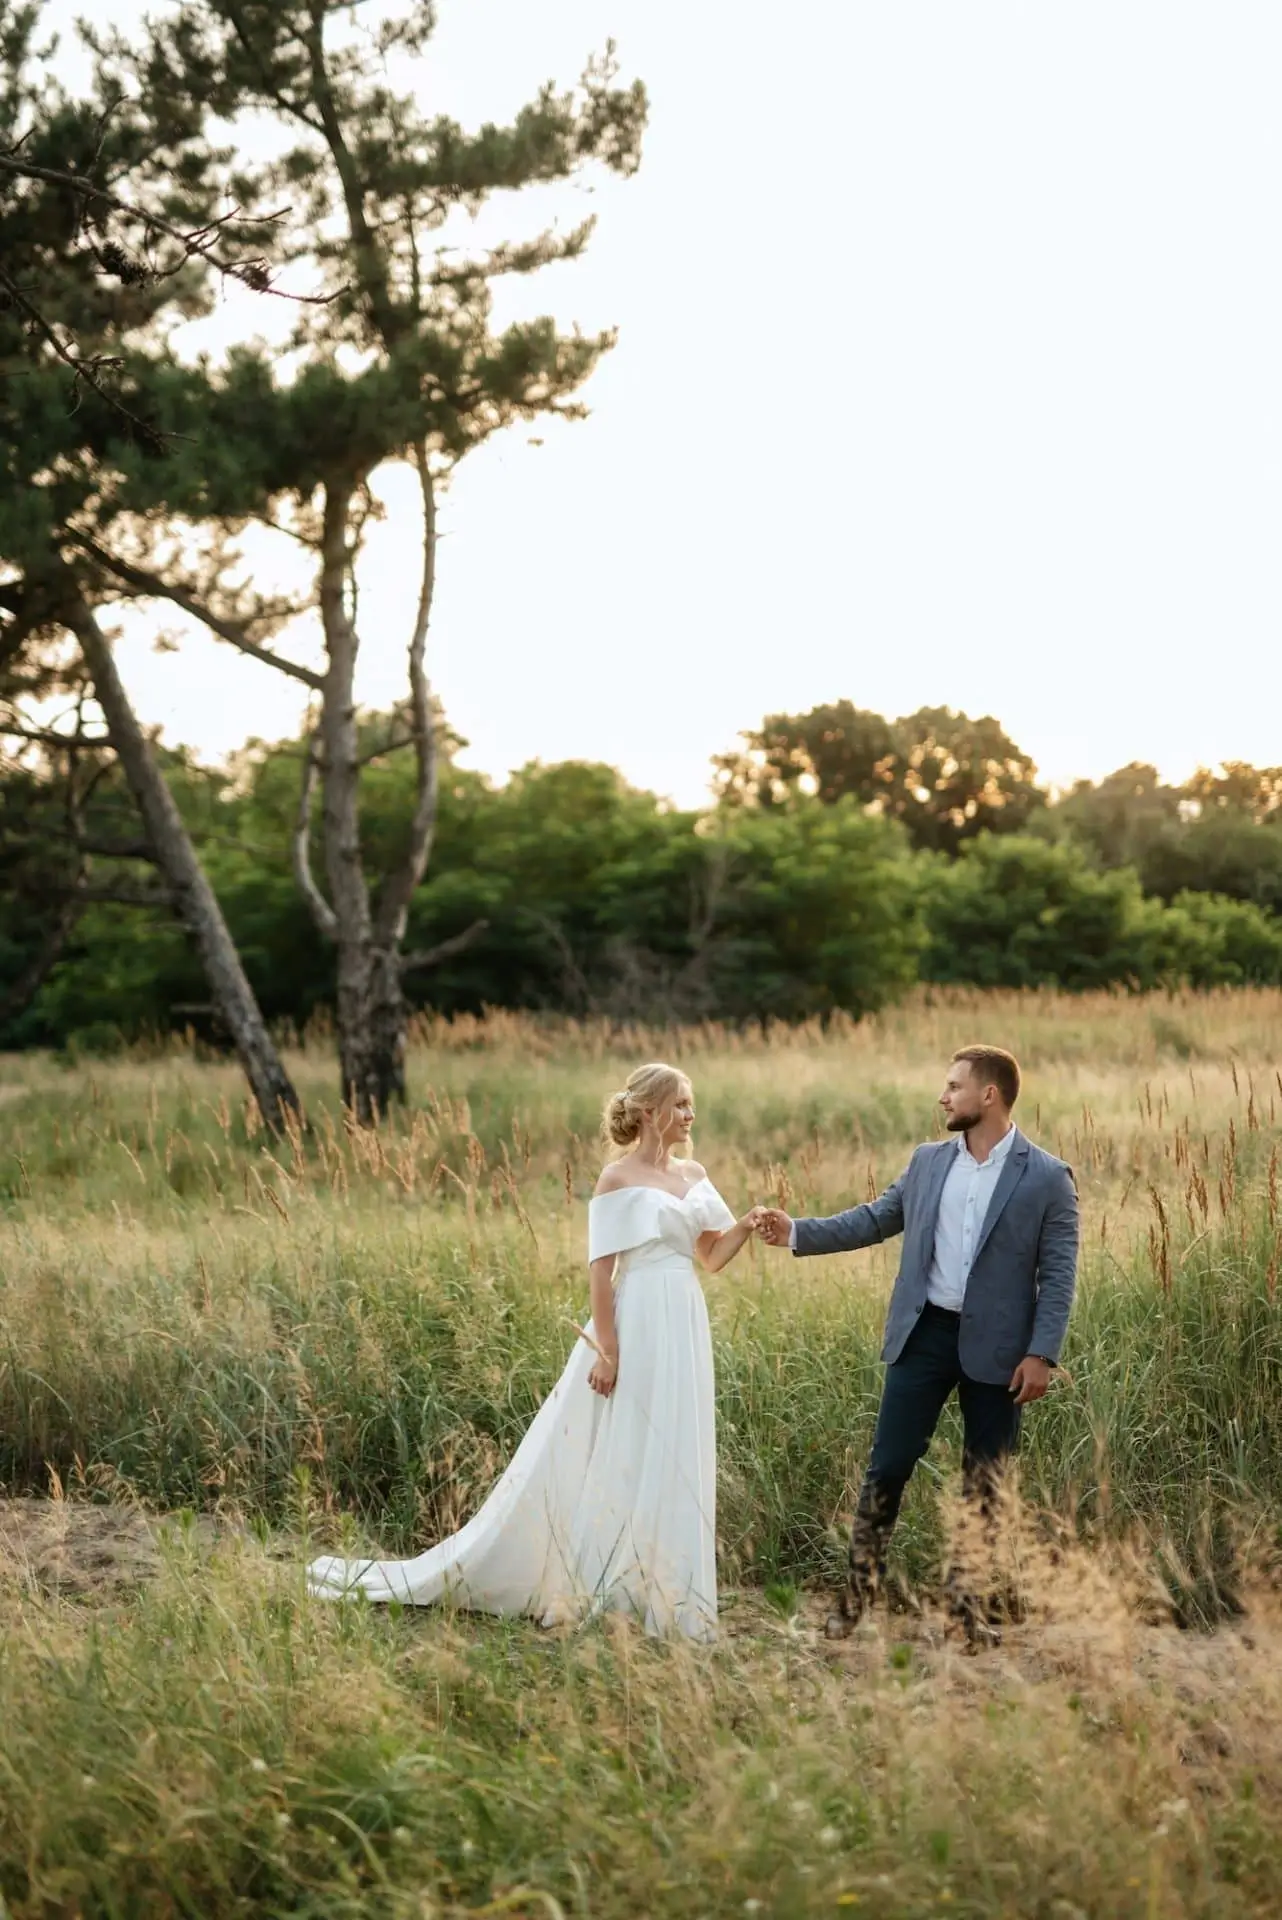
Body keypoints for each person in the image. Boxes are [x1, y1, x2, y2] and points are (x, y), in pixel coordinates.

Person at [307, 1062, 763, 1642]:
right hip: (638, 1315)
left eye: (692, 1104)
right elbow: (602, 1274)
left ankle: (668, 1591)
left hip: (684, 1319)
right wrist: (607, 1351)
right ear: (650, 1111)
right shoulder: (616, 1180)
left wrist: (746, 1223)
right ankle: (608, 1588)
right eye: (681, 1104)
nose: (691, 1115)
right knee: (623, 1443)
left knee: (673, 1441)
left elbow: (712, 1256)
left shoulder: (694, 1174)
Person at [756, 1043, 1079, 1644]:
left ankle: (967, 1610)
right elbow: (875, 1218)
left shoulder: (1047, 1177)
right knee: (889, 1466)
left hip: (1004, 1352)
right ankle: (856, 1598)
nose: (943, 1095)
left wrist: (1043, 1353)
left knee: (985, 1481)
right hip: (924, 1333)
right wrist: (796, 1231)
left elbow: (1059, 1274)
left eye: (954, 1086)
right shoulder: (929, 1161)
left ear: (989, 1095)